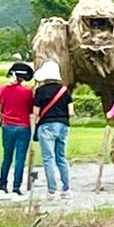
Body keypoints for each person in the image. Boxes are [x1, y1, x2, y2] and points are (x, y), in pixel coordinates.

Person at [33, 60, 74, 200]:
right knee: (61, 158)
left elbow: (36, 112)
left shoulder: (40, 91)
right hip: (63, 125)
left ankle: (52, 191)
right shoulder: (64, 90)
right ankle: (66, 189)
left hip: (46, 126)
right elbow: (71, 112)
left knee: (48, 158)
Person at [0, 61, 35, 198]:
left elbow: (1, 104)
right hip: (23, 126)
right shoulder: (27, 92)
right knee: (20, 159)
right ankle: (16, 188)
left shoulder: (2, 89)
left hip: (7, 126)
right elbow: (31, 109)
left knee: (7, 157)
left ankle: (2, 187)